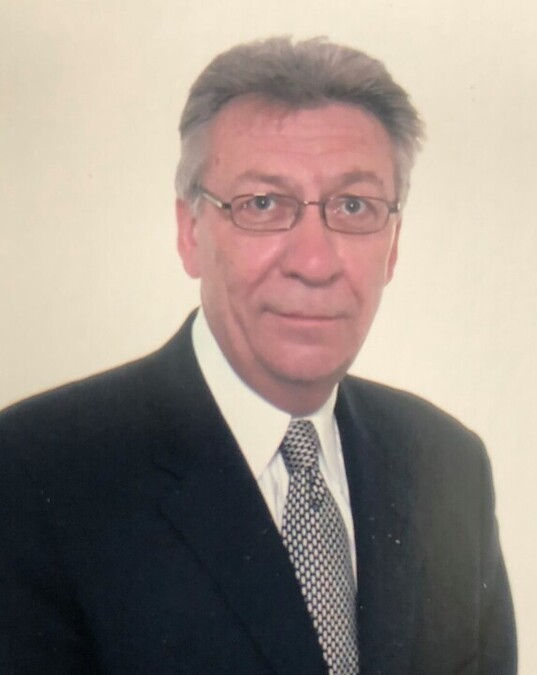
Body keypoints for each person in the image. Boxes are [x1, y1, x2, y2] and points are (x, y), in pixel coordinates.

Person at [0, 36, 516, 675]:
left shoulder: (450, 467)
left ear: (393, 245)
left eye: (353, 206)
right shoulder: (34, 474)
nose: (314, 262)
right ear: (190, 232)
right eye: (263, 205)